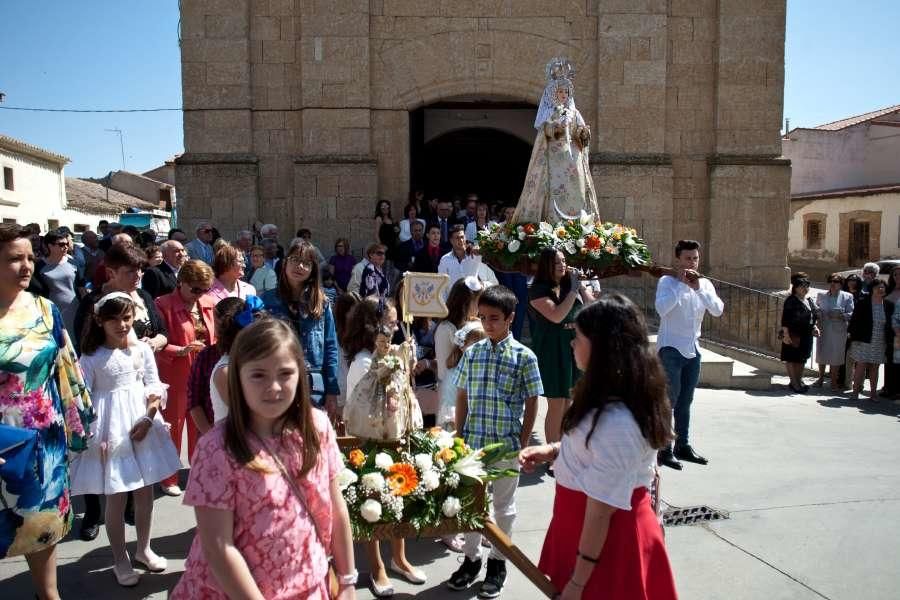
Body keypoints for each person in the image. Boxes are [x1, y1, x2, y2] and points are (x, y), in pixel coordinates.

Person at [170, 318, 357, 599]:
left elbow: (335, 507)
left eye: (285, 373)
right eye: (258, 375)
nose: (274, 387)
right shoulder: (216, 448)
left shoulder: (317, 427)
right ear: (238, 377)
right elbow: (218, 546)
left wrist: (347, 579)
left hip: (308, 584)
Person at [518, 294, 678, 600]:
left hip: (607, 545)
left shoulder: (618, 423)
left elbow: (600, 513)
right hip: (584, 530)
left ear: (603, 349)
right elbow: (589, 446)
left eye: (577, 337)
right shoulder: (607, 393)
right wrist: (554, 451)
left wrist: (578, 584)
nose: (572, 344)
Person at [0, 224, 93, 599]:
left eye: (28, 258)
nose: (26, 267)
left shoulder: (45, 309)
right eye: (13, 259)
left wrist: (78, 426)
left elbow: (67, 369)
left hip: (43, 442)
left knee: (43, 524)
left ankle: (48, 593)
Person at [69, 293, 181, 586]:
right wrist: (94, 435)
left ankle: (143, 548)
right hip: (111, 430)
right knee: (116, 496)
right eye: (114, 319)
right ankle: (120, 558)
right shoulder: (92, 357)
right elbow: (85, 399)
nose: (121, 324)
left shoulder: (141, 351)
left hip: (142, 422)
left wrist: (148, 417)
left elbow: (154, 385)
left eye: (127, 318)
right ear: (100, 320)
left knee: (145, 493)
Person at [448, 285, 543, 598]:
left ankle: (498, 561)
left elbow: (532, 401)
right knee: (471, 503)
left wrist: (523, 441)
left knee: (504, 507)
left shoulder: (524, 357)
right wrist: (459, 435)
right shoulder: (472, 353)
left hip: (505, 444)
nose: (487, 324)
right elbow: (461, 395)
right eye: (483, 317)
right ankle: (471, 559)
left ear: (510, 319)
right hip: (473, 442)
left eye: (495, 318)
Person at [341, 297, 425, 596]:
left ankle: (400, 558)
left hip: (395, 437)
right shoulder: (364, 360)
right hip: (371, 440)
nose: (394, 328)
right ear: (372, 326)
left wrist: (407, 361)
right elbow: (365, 406)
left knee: (398, 497)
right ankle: (376, 565)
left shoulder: (389, 354)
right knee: (372, 504)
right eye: (389, 323)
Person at [654, 239, 723, 471]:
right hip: (671, 348)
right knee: (669, 400)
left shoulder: (704, 284)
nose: (692, 262)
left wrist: (698, 288)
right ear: (678, 259)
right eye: (687, 258)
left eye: (695, 258)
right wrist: (682, 286)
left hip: (693, 349)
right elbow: (662, 310)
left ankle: (683, 445)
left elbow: (717, 309)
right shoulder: (667, 282)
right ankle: (664, 448)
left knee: (686, 401)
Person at [155, 260, 218, 495]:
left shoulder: (209, 304)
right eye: (195, 289)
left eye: (204, 289)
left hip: (204, 374)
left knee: (200, 425)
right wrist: (178, 350)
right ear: (181, 282)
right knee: (174, 425)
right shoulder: (163, 304)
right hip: (176, 373)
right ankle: (168, 477)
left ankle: (198, 470)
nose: (200, 294)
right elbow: (155, 339)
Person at [512, 58, 599, 223]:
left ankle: (576, 222)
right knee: (554, 188)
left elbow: (581, 132)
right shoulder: (549, 113)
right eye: (560, 92)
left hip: (573, 159)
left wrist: (583, 133)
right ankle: (553, 221)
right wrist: (554, 128)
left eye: (566, 92)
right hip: (554, 159)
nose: (563, 95)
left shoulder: (574, 113)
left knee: (576, 188)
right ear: (553, 93)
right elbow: (544, 131)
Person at [261, 240, 340, 419]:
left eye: (306, 263)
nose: (300, 266)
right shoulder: (268, 300)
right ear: (286, 262)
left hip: (313, 383)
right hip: (278, 380)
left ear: (313, 269)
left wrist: (332, 392)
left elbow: (331, 348)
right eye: (295, 260)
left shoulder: (322, 303)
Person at [529, 249, 593, 462]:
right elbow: (556, 316)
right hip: (551, 349)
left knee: (570, 402)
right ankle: (553, 456)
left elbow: (593, 307)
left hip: (573, 347)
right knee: (557, 403)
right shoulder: (538, 289)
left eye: (564, 261)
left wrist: (581, 286)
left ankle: (566, 451)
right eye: (556, 262)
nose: (562, 265)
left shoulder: (570, 286)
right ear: (546, 264)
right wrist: (573, 292)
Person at [434, 277, 484, 432]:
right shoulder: (445, 328)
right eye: (479, 301)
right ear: (466, 301)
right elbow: (443, 369)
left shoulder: (476, 324)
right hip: (452, 391)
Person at [30, 230, 86, 340]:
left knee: (76, 338)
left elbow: (81, 286)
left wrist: (85, 307)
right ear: (49, 246)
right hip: (51, 309)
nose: (65, 247)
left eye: (67, 244)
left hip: (75, 307)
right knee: (58, 339)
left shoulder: (73, 262)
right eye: (61, 244)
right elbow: (35, 291)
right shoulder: (39, 266)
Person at [848, 279, 895, 401]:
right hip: (863, 339)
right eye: (877, 287)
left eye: (883, 287)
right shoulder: (863, 303)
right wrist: (854, 337)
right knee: (860, 366)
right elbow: (855, 321)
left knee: (875, 367)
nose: (880, 289)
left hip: (880, 340)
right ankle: (855, 392)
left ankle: (873, 394)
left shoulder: (889, 305)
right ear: (872, 289)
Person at [780, 273, 819, 394]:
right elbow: (785, 320)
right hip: (793, 334)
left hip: (806, 334)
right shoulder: (791, 301)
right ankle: (795, 383)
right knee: (792, 358)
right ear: (795, 288)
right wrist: (785, 335)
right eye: (801, 286)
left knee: (802, 358)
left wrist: (815, 327)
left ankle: (797, 380)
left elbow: (812, 316)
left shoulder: (809, 300)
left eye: (806, 286)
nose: (804, 288)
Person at [814, 274, 854, 391]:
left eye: (836, 281)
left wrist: (841, 315)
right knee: (822, 354)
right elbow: (817, 308)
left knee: (836, 355)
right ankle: (820, 378)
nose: (833, 283)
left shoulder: (847, 296)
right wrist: (818, 313)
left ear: (841, 284)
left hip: (839, 330)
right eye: (831, 281)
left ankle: (833, 382)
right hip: (824, 328)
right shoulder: (821, 295)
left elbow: (852, 313)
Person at [438, 225, 496, 293]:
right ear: (451, 240)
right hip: (453, 299)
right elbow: (441, 283)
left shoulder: (475, 254)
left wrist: (480, 250)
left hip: (472, 298)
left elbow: (491, 254)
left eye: (462, 237)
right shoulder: (445, 259)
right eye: (457, 238)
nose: (461, 240)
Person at [880, 265, 900, 399]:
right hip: (888, 332)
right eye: (895, 275)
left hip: (899, 332)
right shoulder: (888, 291)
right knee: (890, 360)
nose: (898, 277)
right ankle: (889, 387)